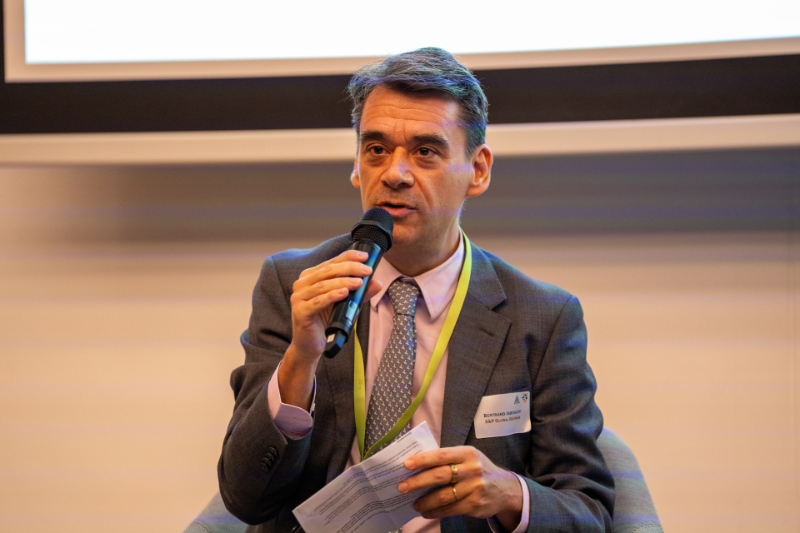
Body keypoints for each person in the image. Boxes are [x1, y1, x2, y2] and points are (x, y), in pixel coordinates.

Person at [218, 47, 614, 532]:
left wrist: (509, 493)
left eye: (426, 151)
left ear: (478, 170)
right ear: (356, 166)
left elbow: (588, 511)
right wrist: (301, 360)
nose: (395, 173)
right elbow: (245, 498)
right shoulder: (294, 285)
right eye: (376, 149)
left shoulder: (543, 318)